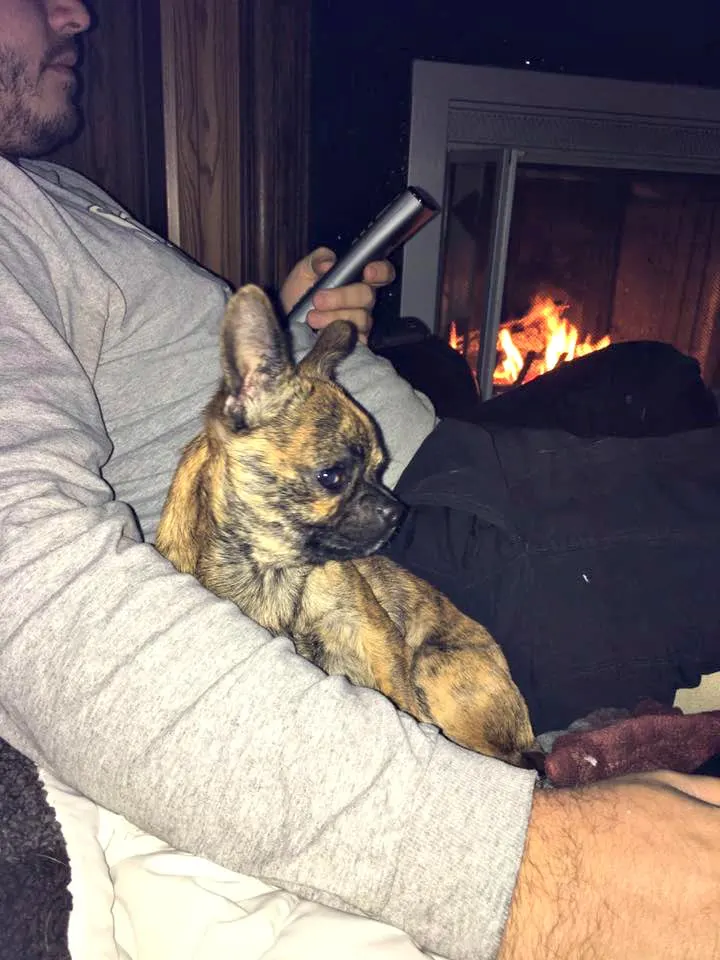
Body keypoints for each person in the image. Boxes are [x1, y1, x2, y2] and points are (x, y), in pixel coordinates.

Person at [0, 2, 719, 959]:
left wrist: (296, 332)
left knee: (655, 369)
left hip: (427, 454)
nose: (75, 12)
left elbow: (194, 404)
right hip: (432, 552)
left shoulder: (44, 187)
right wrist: (524, 870)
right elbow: (38, 595)